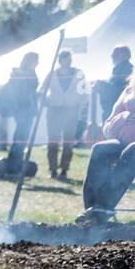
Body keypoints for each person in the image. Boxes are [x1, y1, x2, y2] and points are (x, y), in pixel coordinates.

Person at [76, 81, 135, 227]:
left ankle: (105, 205)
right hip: (124, 142)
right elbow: (108, 128)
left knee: (132, 150)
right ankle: (92, 210)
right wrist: (124, 117)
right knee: (100, 149)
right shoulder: (129, 90)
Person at [43, 49, 88, 180]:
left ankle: (64, 169)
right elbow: (42, 90)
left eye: (70, 59)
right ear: (60, 60)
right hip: (54, 109)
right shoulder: (52, 74)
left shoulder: (78, 74)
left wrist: (80, 106)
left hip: (71, 110)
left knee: (68, 140)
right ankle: (52, 169)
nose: (68, 61)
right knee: (53, 140)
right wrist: (45, 101)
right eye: (66, 59)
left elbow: (84, 92)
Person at [0, 52, 39, 172]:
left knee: (22, 137)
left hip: (28, 110)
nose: (37, 63)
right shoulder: (19, 74)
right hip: (21, 109)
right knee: (20, 137)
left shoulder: (32, 73)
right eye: (35, 60)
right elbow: (17, 92)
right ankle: (14, 163)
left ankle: (16, 162)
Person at [96, 45, 133, 123]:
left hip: (119, 110)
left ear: (124, 55)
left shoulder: (128, 69)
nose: (112, 56)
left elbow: (122, 90)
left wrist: (103, 86)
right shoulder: (118, 68)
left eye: (115, 54)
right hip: (114, 108)